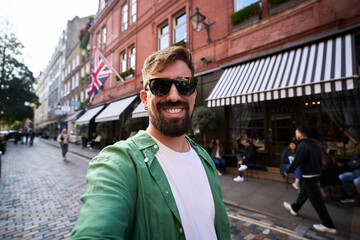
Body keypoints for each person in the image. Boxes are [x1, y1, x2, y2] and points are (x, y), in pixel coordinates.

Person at [71, 46, 230, 239]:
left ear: (194, 95)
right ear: (145, 99)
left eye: (185, 85)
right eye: (160, 87)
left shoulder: (204, 157)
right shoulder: (119, 163)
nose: (174, 96)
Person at [283, 126, 336, 234]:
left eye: (296, 133)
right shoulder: (315, 143)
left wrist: (288, 170)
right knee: (303, 192)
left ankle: (328, 225)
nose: (296, 135)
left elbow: (297, 160)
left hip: (309, 176)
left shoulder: (303, 144)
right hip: (315, 173)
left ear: (301, 134)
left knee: (316, 201)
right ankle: (294, 208)